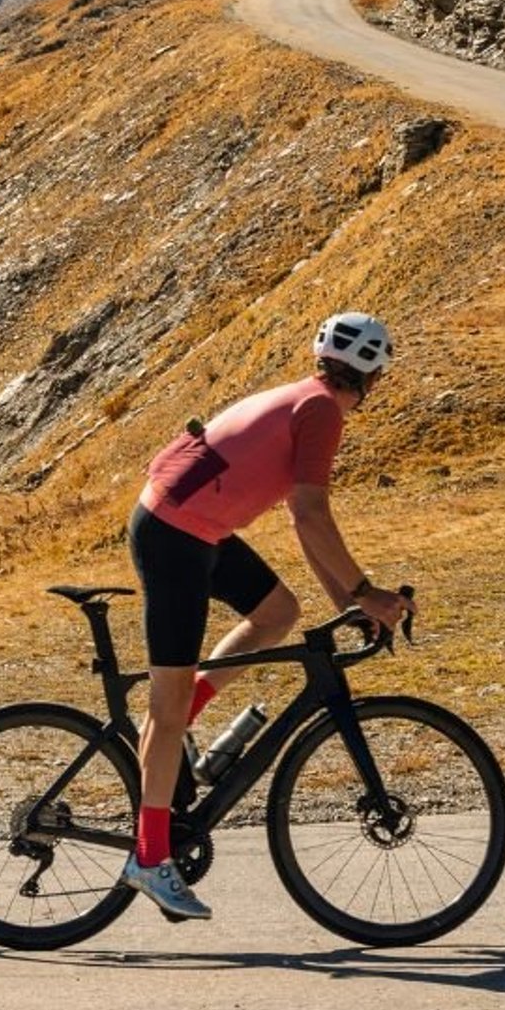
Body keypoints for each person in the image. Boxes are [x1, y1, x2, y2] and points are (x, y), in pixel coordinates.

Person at [119, 311, 414, 921]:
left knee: (278, 612)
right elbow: (310, 513)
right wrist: (364, 591)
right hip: (176, 536)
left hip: (193, 526)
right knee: (165, 708)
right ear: (374, 376)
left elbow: (300, 520)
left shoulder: (306, 399)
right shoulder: (323, 411)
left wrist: (344, 603)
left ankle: (175, 731)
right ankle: (149, 857)